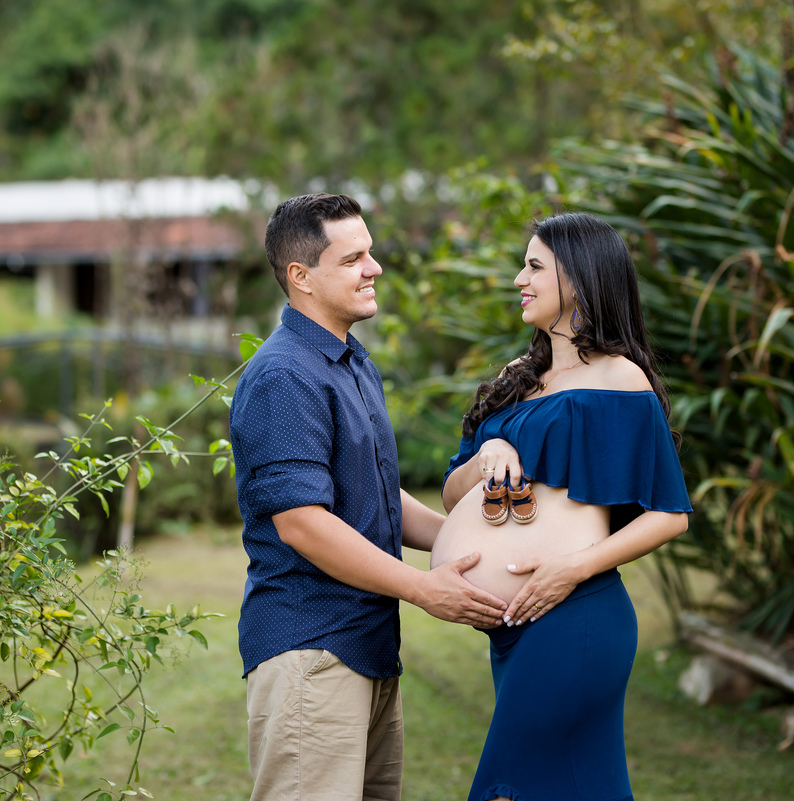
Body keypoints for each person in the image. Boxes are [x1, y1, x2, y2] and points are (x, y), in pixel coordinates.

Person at [229, 192, 508, 801]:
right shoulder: (284, 375)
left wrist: (469, 540)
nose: (374, 267)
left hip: (369, 648)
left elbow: (376, 492)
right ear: (301, 277)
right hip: (312, 651)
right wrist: (425, 589)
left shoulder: (351, 361)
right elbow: (302, 523)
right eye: (353, 258)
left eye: (370, 253)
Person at [432, 212, 693, 801]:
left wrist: (571, 569)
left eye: (533, 266)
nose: (518, 279)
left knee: (508, 790)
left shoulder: (619, 379)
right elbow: (454, 496)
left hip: (577, 615)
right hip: (513, 628)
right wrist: (490, 449)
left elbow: (669, 513)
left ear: (579, 276)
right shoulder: (516, 377)